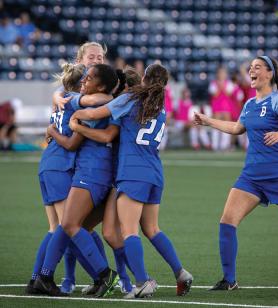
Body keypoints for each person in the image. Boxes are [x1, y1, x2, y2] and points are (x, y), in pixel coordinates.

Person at [194, 55, 278, 290]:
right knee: (227, 221)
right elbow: (236, 128)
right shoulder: (250, 104)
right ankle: (229, 281)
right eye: (251, 68)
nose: (252, 71)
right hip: (251, 176)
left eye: (257, 67)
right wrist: (208, 121)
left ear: (269, 74)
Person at [71, 63, 193, 299]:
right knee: (152, 229)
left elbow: (97, 113)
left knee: (129, 231)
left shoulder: (131, 99)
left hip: (132, 171)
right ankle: (181, 273)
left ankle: (142, 282)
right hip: (154, 172)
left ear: (144, 78)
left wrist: (75, 116)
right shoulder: (160, 105)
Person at [34, 64, 120, 297]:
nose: (84, 81)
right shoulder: (105, 101)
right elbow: (72, 97)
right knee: (70, 226)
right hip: (94, 172)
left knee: (68, 225)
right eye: (83, 77)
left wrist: (58, 128)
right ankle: (44, 276)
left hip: (93, 172)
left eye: (89, 78)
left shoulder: (102, 103)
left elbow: (80, 136)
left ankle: (105, 275)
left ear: (101, 85)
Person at [208, 66, 234, 151]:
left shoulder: (229, 83)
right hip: (217, 106)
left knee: (226, 125)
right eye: (220, 73)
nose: (222, 75)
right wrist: (220, 87)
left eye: (223, 73)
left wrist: (222, 86)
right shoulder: (213, 83)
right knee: (216, 125)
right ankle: (215, 145)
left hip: (226, 106)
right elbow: (215, 94)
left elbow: (229, 94)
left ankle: (224, 145)